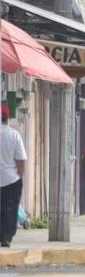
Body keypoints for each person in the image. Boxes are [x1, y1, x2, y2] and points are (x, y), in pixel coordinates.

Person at [0, 104, 27, 247]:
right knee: (10, 209)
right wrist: (19, 177)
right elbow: (21, 160)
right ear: (7, 117)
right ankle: (6, 237)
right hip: (11, 179)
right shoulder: (14, 134)